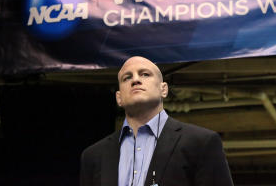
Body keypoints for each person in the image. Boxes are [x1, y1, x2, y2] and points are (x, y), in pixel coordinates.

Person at [80, 56, 234, 186]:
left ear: (164, 89)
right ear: (119, 98)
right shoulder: (93, 156)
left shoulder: (201, 143)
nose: (135, 80)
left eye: (145, 74)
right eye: (127, 77)